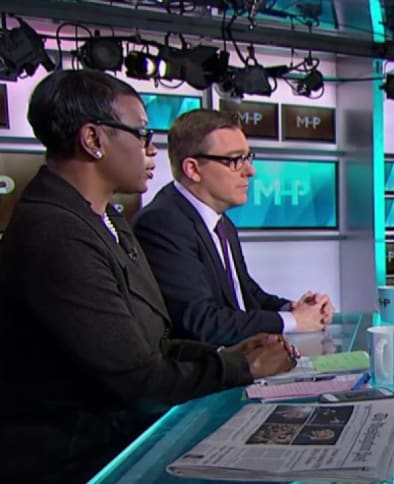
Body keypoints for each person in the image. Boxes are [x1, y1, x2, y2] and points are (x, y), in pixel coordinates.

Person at [0, 70, 297, 482]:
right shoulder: (55, 233)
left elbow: (153, 343)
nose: (153, 149)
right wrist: (242, 367)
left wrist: (230, 354)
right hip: (78, 464)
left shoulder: (109, 219)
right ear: (93, 139)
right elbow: (139, 381)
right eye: (142, 134)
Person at [133, 109, 334, 346]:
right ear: (193, 169)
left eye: (248, 158)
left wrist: (294, 308)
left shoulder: (222, 223)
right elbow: (202, 322)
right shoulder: (162, 224)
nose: (250, 171)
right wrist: (295, 321)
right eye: (235, 160)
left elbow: (246, 294)